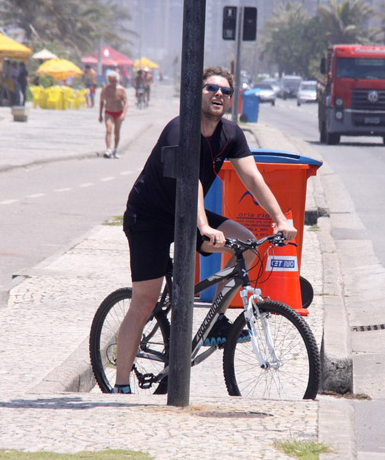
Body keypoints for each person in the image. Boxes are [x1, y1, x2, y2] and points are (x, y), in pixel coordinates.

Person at [110, 66, 297, 394]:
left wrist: (281, 219)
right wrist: (203, 226)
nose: (218, 94)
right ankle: (121, 383)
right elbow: (190, 178)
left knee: (249, 246)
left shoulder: (231, 134)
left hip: (187, 213)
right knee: (144, 299)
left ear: (230, 98)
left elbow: (252, 178)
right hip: (149, 217)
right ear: (198, 93)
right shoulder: (180, 129)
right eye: (211, 88)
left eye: (224, 90)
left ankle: (217, 320)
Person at [98, 69, 127, 158]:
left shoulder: (121, 90)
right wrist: (100, 115)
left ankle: (115, 149)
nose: (113, 83)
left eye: (115, 81)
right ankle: (108, 149)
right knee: (109, 130)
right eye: (111, 81)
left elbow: (125, 102)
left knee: (117, 132)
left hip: (118, 112)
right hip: (108, 112)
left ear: (117, 80)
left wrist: (123, 114)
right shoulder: (105, 90)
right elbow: (102, 102)